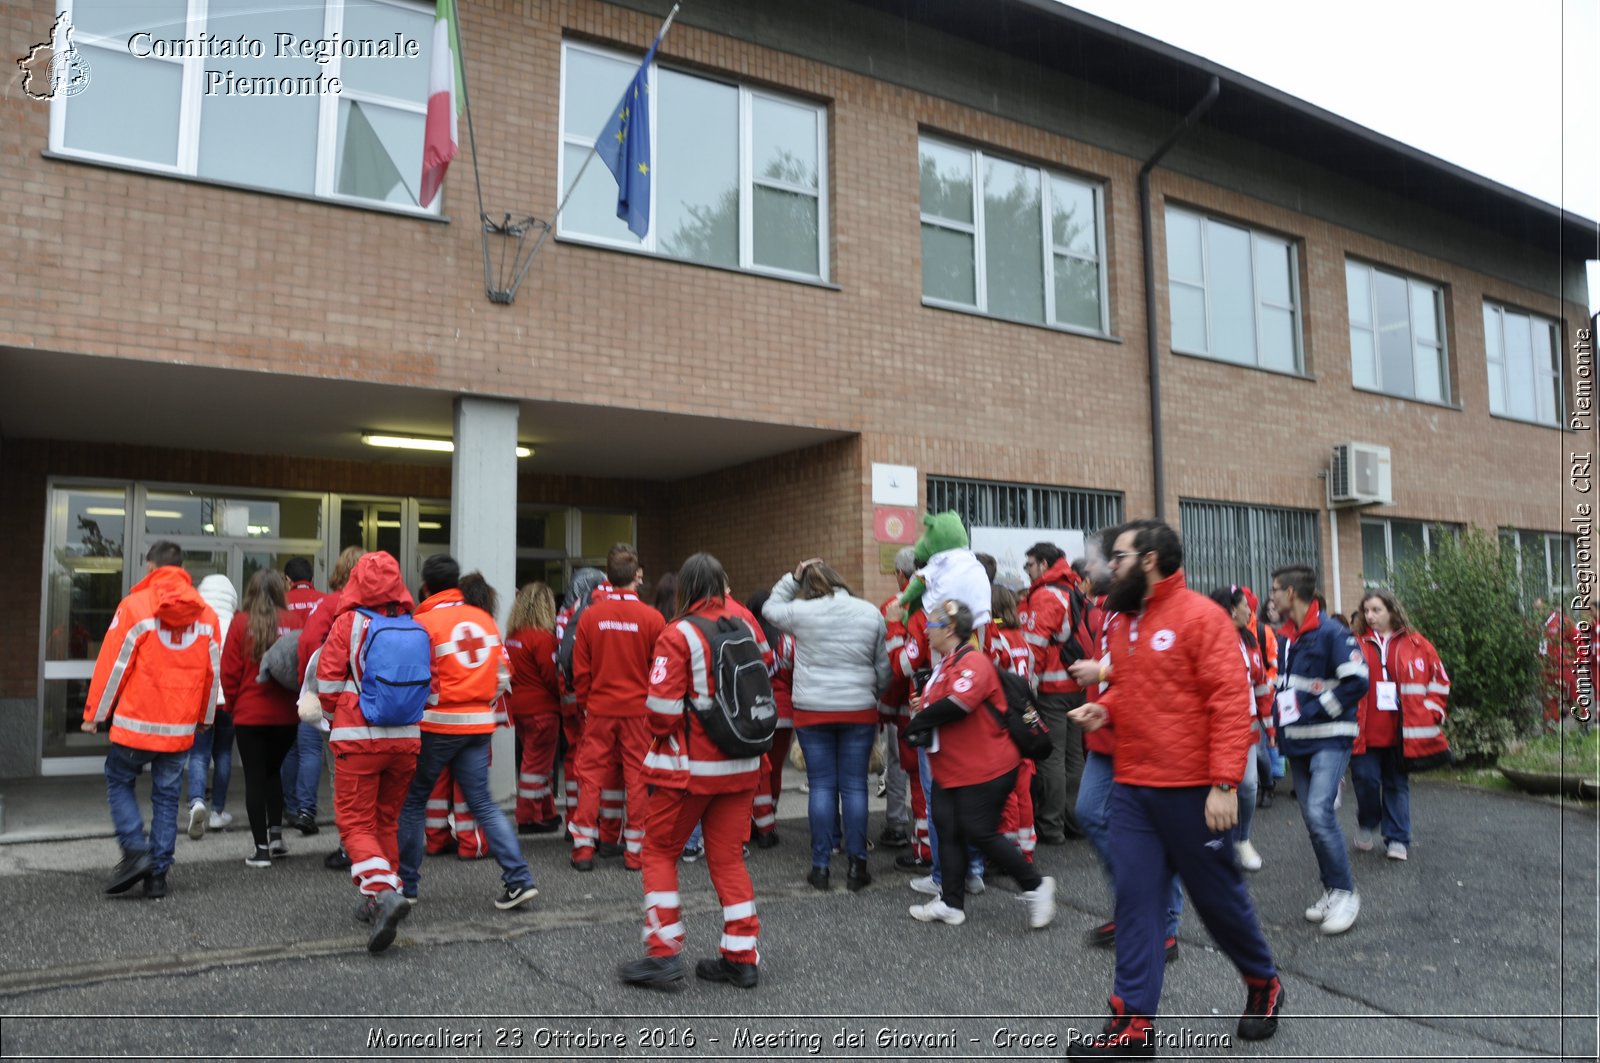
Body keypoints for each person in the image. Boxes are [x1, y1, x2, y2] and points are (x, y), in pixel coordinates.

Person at [1067, 520, 1282, 1057]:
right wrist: (1105, 707)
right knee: (1137, 902)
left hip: (1193, 792)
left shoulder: (1200, 618)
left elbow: (1231, 704)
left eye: (1117, 557)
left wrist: (1225, 784)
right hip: (1135, 788)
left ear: (1149, 560)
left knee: (1217, 901)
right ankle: (1132, 1027)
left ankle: (1264, 983)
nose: (1106, 567)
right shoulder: (1123, 622)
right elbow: (1135, 687)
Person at [619, 552, 769, 991]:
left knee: (659, 852)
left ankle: (663, 954)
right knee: (726, 858)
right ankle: (741, 954)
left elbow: (663, 713)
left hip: (691, 770)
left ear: (685, 588)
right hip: (744, 763)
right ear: (723, 584)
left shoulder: (678, 632)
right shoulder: (746, 624)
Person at [902, 599, 1056, 929]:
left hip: (986, 768)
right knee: (948, 829)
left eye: (931, 625)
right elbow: (941, 700)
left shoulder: (973, 662)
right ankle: (951, 903)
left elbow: (960, 702)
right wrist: (922, 704)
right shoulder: (946, 663)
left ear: (949, 629)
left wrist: (920, 720)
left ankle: (1037, 886)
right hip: (952, 768)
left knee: (980, 832)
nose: (926, 631)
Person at [82, 540, 222, 899]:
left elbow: (114, 666)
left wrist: (94, 715)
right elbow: (211, 673)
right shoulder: (206, 615)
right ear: (182, 568)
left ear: (150, 568)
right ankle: (158, 876)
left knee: (118, 779)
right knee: (166, 797)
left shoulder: (134, 606)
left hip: (135, 726)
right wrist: (205, 717)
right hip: (179, 729)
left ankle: (135, 851)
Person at [398, 557, 536, 910]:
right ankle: (519, 878)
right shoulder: (483, 619)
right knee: (484, 804)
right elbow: (503, 674)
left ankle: (407, 887)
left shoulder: (421, 623)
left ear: (426, 586)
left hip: (438, 726)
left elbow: (414, 679)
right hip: (478, 724)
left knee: (414, 802)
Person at [763, 559, 890, 892]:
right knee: (854, 786)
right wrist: (871, 693)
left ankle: (820, 868)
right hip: (858, 710)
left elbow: (770, 609)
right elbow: (884, 668)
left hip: (812, 710)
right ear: (841, 582)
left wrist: (793, 577)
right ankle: (857, 866)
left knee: (820, 786)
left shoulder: (803, 614)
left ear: (810, 586)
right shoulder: (870, 613)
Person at [315, 550, 420, 952]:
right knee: (386, 822)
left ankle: (383, 891)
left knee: (356, 825)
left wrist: (331, 715)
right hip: (406, 741)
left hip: (358, 739)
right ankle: (381, 899)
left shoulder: (348, 624)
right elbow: (434, 690)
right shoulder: (413, 625)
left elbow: (327, 683)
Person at [1269, 564, 1369, 937]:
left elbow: (1357, 681)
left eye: (1276, 589)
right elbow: (1285, 689)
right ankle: (1331, 890)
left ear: (1291, 594)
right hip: (1298, 741)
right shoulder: (1285, 638)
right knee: (1314, 820)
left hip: (1329, 737)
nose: (1272, 596)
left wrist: (1313, 709)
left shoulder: (1332, 633)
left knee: (1318, 811)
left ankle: (1346, 893)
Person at [570, 545, 666, 871]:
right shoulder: (653, 618)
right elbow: (660, 670)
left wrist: (586, 704)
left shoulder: (590, 616)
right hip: (638, 711)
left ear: (607, 577)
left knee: (591, 776)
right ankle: (635, 853)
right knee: (638, 779)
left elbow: (580, 671)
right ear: (636, 576)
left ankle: (583, 847)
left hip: (599, 708)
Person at [1350, 589, 1451, 861]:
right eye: (1366, 610)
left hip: (1401, 732)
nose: (1370, 616)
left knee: (1396, 784)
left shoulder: (1418, 645)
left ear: (1392, 611)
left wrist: (1432, 713)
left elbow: (1439, 681)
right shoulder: (1354, 644)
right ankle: (1368, 820)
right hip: (1364, 732)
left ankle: (1398, 838)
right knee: (1366, 782)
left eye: (1376, 610)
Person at [222, 569, 299, 868]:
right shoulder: (294, 622)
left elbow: (229, 671)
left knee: (255, 777)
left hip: (250, 714)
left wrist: (231, 704)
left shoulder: (241, 622)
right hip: (286, 715)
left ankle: (261, 850)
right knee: (272, 772)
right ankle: (277, 835)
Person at [1019, 542, 1096, 843]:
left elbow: (1034, 646)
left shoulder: (1047, 594)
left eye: (1029, 565)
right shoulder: (1071, 588)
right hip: (1077, 683)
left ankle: (1051, 826)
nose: (1027, 571)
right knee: (1074, 756)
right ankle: (1074, 822)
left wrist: (1027, 685)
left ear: (1043, 563)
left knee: (1052, 757)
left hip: (1053, 687)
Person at [294, 546, 363, 869]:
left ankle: (350, 845)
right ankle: (378, 846)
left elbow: (309, 646)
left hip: (341, 710)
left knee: (342, 775)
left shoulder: (331, 605)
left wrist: (307, 691)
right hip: (382, 710)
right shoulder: (387, 610)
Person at [1209, 586, 1271, 871]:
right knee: (1218, 790)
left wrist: (1270, 726)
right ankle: (1217, 844)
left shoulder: (1249, 641)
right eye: (1246, 605)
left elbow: (1261, 686)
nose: (1250, 610)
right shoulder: (1208, 640)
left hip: (1246, 729)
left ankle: (1241, 839)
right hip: (1215, 729)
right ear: (1232, 609)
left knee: (1247, 787)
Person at [506, 581, 563, 834]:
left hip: (520, 708)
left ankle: (545, 812)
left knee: (537, 763)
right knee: (536, 766)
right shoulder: (543, 638)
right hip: (542, 710)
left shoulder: (513, 637)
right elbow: (553, 677)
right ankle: (528, 816)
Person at [744, 589, 794, 851]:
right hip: (785, 713)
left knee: (760, 770)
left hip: (758, 712)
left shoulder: (749, 638)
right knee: (775, 769)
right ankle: (769, 820)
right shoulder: (787, 639)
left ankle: (761, 823)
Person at [189, 573, 238, 836]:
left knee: (198, 754)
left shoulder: (196, 623)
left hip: (202, 699)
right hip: (229, 701)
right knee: (223, 754)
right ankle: (218, 812)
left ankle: (196, 801)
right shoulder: (237, 624)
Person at [280, 557, 326, 838]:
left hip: (287, 682)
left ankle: (291, 807)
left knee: (291, 748)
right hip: (316, 683)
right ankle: (307, 809)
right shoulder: (324, 601)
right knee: (311, 749)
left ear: (287, 579)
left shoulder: (281, 603)